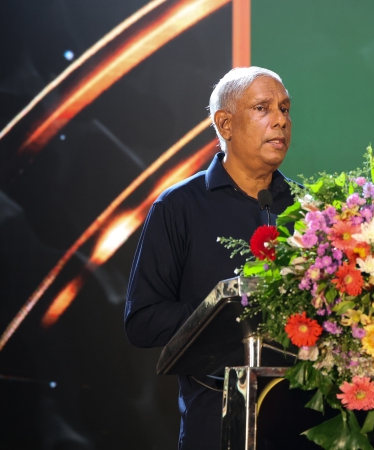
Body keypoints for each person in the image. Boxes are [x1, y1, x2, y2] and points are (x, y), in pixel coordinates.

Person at [124, 67, 294, 449]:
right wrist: (225, 313)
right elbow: (142, 321)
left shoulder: (308, 210)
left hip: (302, 420)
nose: (281, 120)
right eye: (263, 108)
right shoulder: (178, 206)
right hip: (215, 422)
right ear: (225, 124)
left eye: (284, 109)